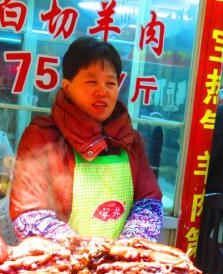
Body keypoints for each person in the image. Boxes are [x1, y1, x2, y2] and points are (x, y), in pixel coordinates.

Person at [9, 36, 163, 242]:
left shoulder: (130, 140)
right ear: (67, 86)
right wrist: (83, 251)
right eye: (92, 82)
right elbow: (29, 215)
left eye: (110, 83)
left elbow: (149, 203)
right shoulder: (42, 137)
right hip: (60, 260)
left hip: (119, 260)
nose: (102, 91)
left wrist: (126, 248)